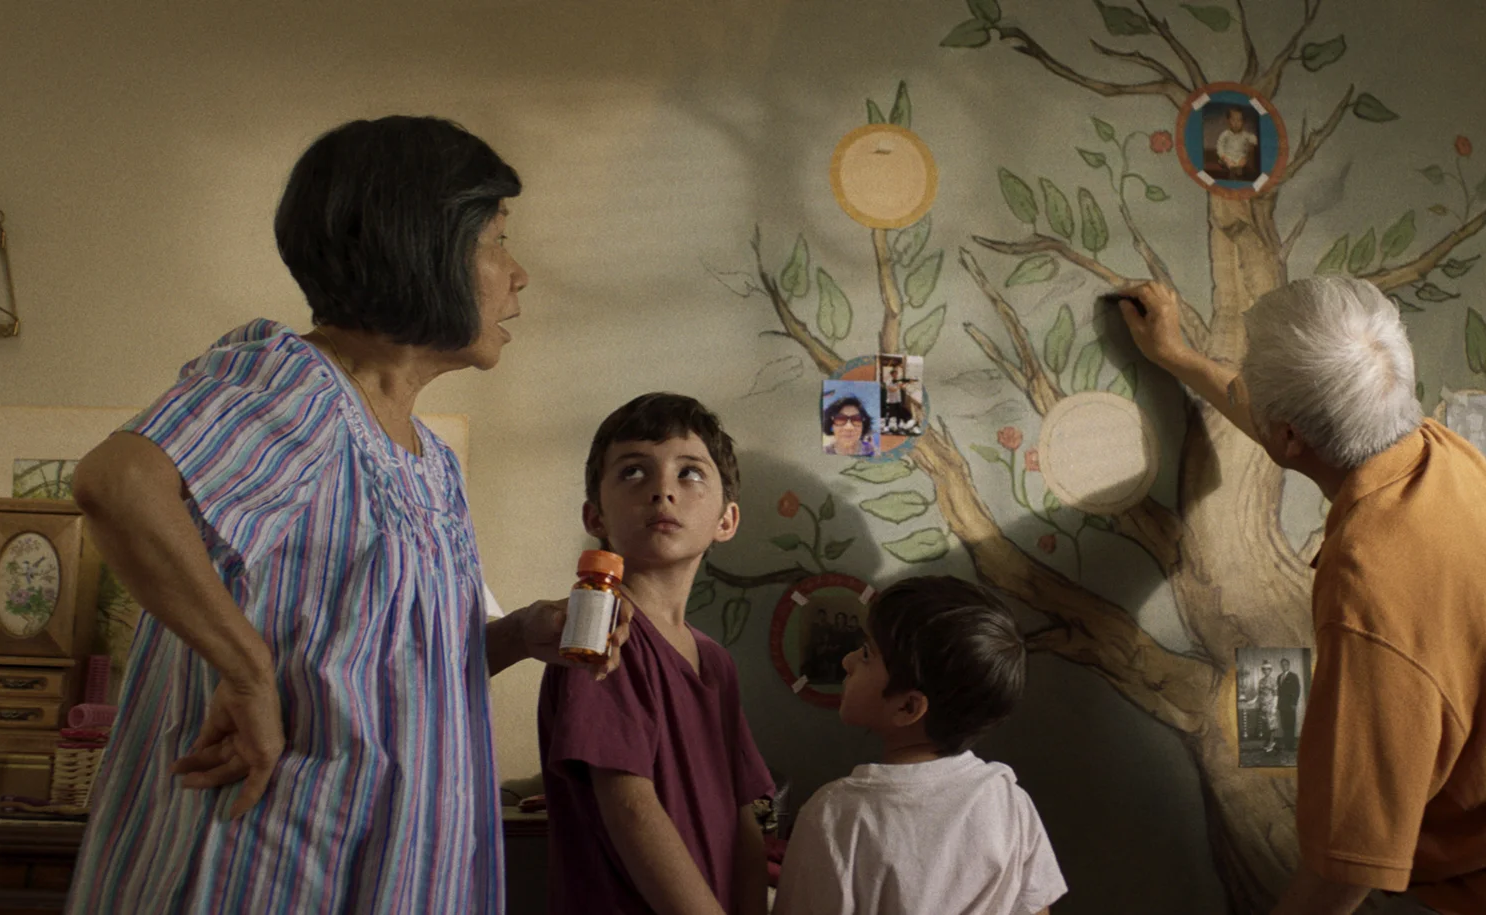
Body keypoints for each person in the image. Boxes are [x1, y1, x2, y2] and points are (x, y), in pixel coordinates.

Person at [65, 116, 624, 913]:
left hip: (398, 871)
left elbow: (387, 669)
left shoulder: (430, 463)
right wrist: (246, 671)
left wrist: (520, 633)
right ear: (422, 245)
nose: (519, 274)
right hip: (277, 869)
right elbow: (118, 483)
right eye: (497, 239)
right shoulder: (297, 384)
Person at [1118, 278, 1486, 915]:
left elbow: (1343, 871)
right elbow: (1284, 422)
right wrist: (1176, 356)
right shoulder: (1437, 451)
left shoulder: (1369, 593)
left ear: (1290, 438)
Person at [540, 393, 774, 915]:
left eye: (689, 473)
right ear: (595, 515)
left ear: (726, 520)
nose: (662, 490)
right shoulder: (599, 633)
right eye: (633, 472)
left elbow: (747, 817)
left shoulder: (717, 663)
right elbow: (631, 809)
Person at [773, 576, 1066, 915]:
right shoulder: (1010, 801)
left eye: (866, 654)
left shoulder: (835, 816)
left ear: (908, 707)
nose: (847, 660)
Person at [1214, 107, 1261, 181]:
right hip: (1227, 156)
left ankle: (1238, 171)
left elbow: (1254, 140)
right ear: (1228, 121)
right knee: (1228, 163)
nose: (1236, 123)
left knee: (1243, 161)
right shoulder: (1225, 134)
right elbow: (1219, 146)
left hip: (1240, 157)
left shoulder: (1245, 134)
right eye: (1233, 120)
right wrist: (1223, 156)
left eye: (1239, 120)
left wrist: (1256, 141)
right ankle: (1233, 172)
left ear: (1243, 122)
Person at [1275, 656, 1303, 756]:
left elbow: (1297, 690)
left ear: (1289, 665)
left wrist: (1294, 703)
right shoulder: (1279, 677)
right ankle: (1287, 745)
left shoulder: (1293, 676)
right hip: (1282, 705)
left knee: (1291, 725)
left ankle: (1290, 746)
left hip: (1290, 705)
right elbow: (1279, 692)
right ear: (1281, 666)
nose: (1284, 666)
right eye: (1282, 665)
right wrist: (1276, 703)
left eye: (1286, 664)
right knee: (1284, 725)